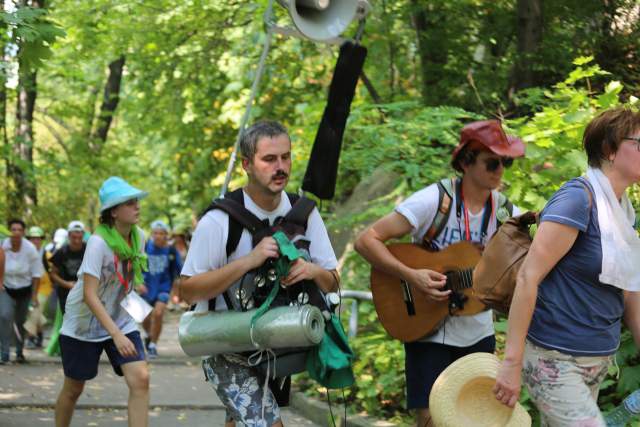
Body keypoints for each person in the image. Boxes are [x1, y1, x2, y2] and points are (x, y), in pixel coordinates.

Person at [354, 120, 525, 427]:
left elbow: (529, 267)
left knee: (478, 419)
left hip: (478, 334)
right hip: (427, 329)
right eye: (492, 161)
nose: (500, 169)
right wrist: (410, 275)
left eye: (506, 162)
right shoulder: (435, 201)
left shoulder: (506, 215)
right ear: (465, 161)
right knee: (432, 420)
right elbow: (366, 241)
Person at [180, 120, 339, 427]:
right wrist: (248, 261)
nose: (280, 167)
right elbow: (187, 291)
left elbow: (333, 279)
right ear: (247, 165)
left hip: (278, 346)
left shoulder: (305, 213)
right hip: (225, 348)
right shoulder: (219, 221)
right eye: (269, 159)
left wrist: (312, 270)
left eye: (286, 157)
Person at [494, 108, 640, 426]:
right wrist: (511, 363)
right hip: (553, 358)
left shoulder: (623, 213)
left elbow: (630, 294)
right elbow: (528, 277)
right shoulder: (577, 199)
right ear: (610, 150)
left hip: (597, 357)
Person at [54, 177, 150, 427]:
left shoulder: (139, 235)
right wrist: (116, 335)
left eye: (136, 201)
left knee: (141, 378)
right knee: (74, 388)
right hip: (83, 325)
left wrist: (139, 313)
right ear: (114, 212)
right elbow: (89, 294)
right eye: (129, 202)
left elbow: (127, 280)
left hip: (119, 318)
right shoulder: (98, 243)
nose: (137, 206)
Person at [0, 219, 44, 364]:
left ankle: (19, 352)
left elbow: (36, 274)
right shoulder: (3, 246)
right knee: (5, 317)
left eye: (20, 230)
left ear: (23, 232)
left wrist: (34, 295)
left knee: (21, 321)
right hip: (6, 289)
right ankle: (4, 353)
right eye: (13, 229)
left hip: (25, 290)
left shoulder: (30, 249)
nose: (17, 232)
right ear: (9, 231)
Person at [141, 219, 181, 358]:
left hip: (163, 288)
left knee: (158, 314)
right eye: (155, 233)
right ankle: (149, 335)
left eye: (161, 233)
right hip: (145, 288)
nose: (158, 236)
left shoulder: (171, 251)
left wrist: (176, 293)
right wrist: (137, 283)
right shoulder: (144, 247)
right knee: (144, 318)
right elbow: (133, 265)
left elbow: (178, 274)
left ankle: (152, 345)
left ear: (166, 235)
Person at [50, 221, 87, 315]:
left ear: (83, 235)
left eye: (80, 237)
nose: (77, 241)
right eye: (74, 237)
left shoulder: (89, 249)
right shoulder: (61, 252)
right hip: (66, 293)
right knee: (69, 321)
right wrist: (67, 284)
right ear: (69, 236)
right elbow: (53, 273)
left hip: (85, 291)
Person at [25, 226, 52, 348]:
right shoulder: (25, 253)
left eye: (38, 238)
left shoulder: (48, 255)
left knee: (35, 309)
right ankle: (40, 334)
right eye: (32, 238)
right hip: (28, 287)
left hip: (45, 287)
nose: (35, 241)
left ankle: (30, 337)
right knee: (35, 313)